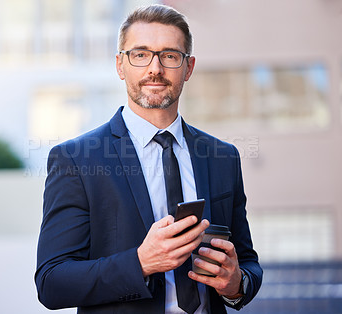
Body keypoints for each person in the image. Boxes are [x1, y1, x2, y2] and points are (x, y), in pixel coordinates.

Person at [35, 4, 262, 314]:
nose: (155, 68)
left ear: (189, 67)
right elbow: (52, 283)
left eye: (169, 56)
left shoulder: (223, 157)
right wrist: (140, 263)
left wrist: (235, 284)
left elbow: (248, 263)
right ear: (120, 65)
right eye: (140, 55)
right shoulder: (75, 160)